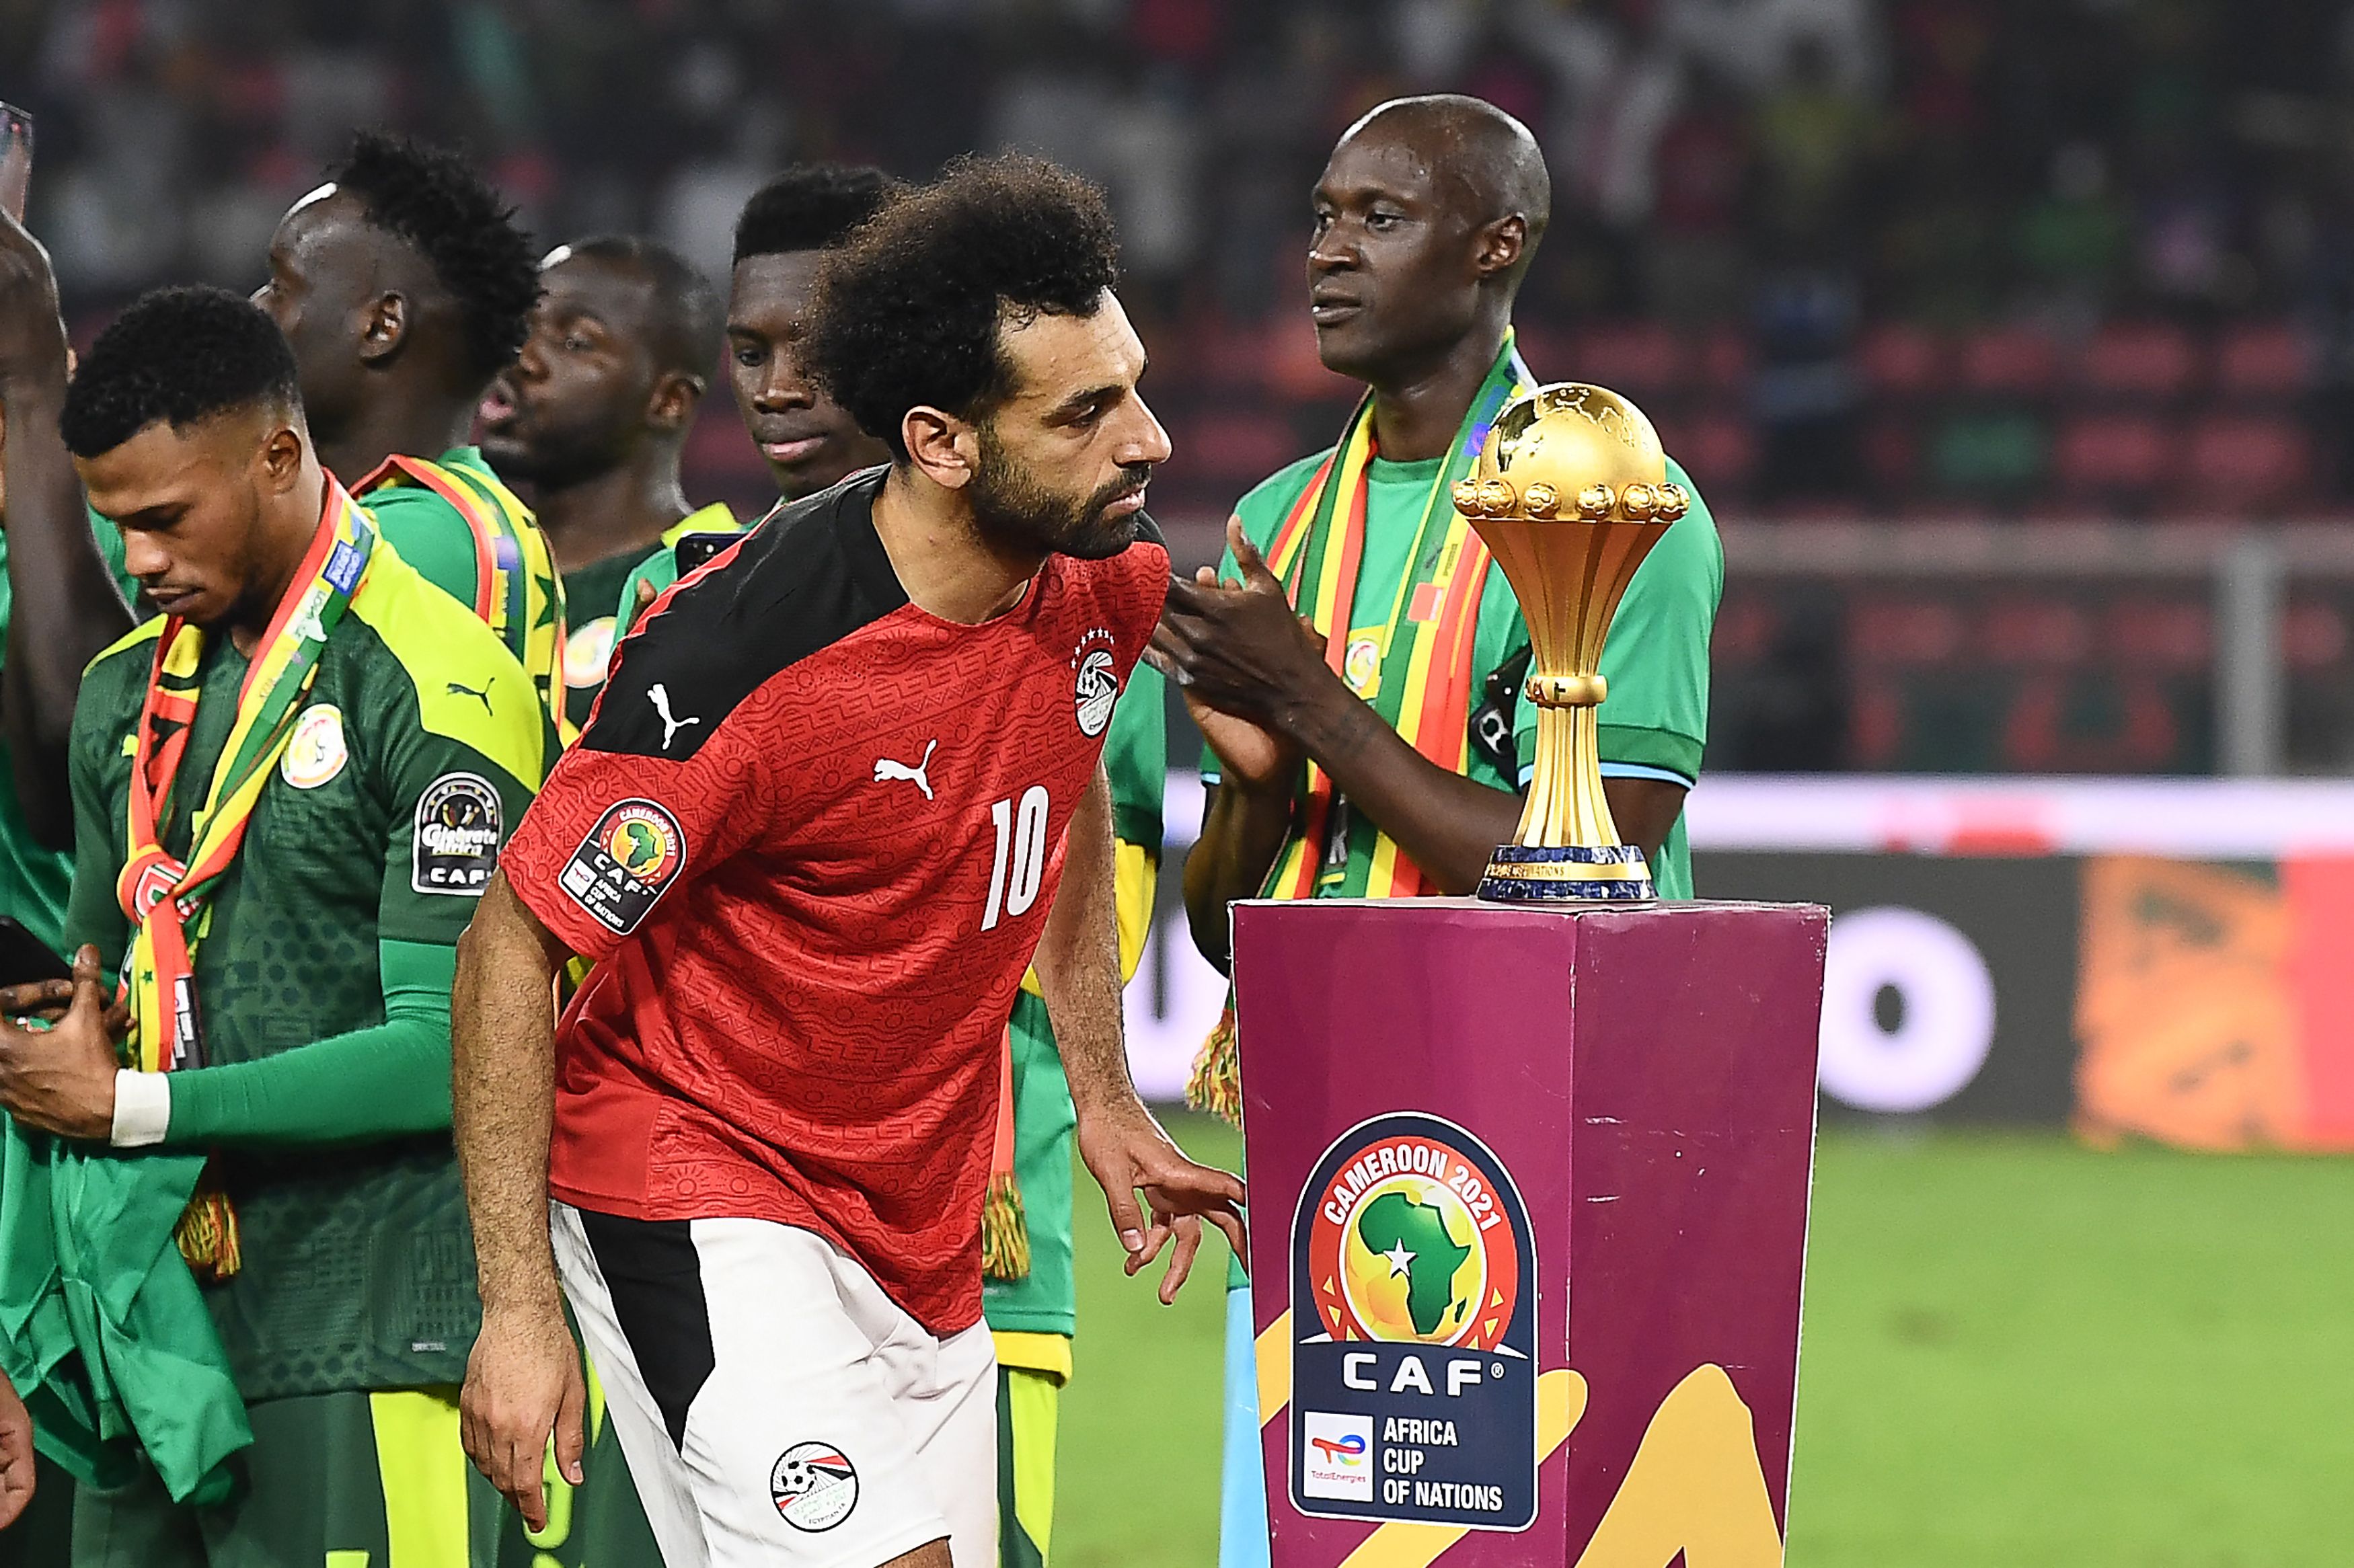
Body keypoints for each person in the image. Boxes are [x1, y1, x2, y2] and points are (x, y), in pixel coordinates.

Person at [451, 155, 1244, 1568]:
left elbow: (1058, 800)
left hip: (914, 1223)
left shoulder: (1102, 581)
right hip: (695, 1181)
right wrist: (516, 1307)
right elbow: (513, 941)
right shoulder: (740, 662)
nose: (1150, 440)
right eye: (1086, 413)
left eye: (1131, 384)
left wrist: (1108, 1094)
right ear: (938, 440)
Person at [1149, 95, 1723, 1568]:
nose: (1328, 254)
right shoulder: (1282, 517)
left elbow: (1592, 856)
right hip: (1334, 1125)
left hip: (1550, 1125)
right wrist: (1262, 789)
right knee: (1307, 1529)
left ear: (1496, 244)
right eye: (1325, 216)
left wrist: (1314, 702)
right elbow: (1229, 927)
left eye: (1379, 219)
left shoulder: (1604, 500)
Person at [0, 286, 552, 1565]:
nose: (138, 561)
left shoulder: (433, 679)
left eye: (165, 519)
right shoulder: (118, 698)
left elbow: (449, 1049)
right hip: (145, 1343)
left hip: (369, 1330)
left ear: (278, 456)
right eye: (116, 523)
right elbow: (72, 1021)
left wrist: (137, 1111)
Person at [264, 131, 568, 731]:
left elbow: (157, 738)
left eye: (282, 286)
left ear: (381, 326)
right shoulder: (444, 514)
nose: (256, 308)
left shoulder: (409, 541)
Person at [611, 163, 898, 639]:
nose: (775, 392)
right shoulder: (675, 587)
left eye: (819, 349)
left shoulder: (1004, 579)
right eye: (750, 355)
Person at [478, 236, 734, 730]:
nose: (522, 358)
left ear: (669, 401)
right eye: (523, 328)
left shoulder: (721, 581)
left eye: (576, 342)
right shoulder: (466, 561)